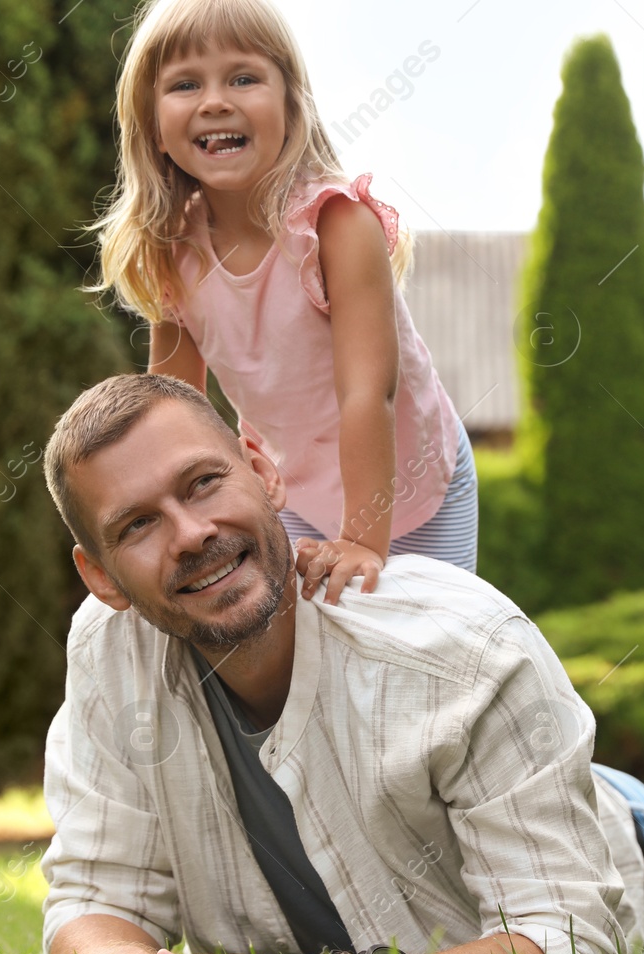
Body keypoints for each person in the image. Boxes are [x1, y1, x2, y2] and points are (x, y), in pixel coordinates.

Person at [39, 374, 644, 954]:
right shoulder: (107, 653)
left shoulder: (461, 646)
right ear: (102, 577)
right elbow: (92, 897)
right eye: (138, 524)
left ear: (262, 466)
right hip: (481, 842)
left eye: (204, 481)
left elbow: (572, 940)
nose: (189, 533)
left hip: (627, 867)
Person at [83, 0, 475, 604]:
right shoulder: (172, 252)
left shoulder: (335, 226)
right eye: (186, 84)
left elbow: (368, 391)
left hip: (415, 486)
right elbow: (174, 413)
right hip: (293, 495)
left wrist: (363, 541)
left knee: (432, 647)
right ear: (154, 124)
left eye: (243, 78)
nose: (216, 100)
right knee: (317, 661)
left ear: (290, 106)